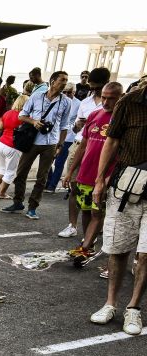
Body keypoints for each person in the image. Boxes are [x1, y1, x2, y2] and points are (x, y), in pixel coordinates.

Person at [89, 78, 147, 335]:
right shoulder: (130, 102)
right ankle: (110, 303)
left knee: (146, 253)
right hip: (126, 188)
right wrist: (100, 180)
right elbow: (111, 141)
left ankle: (133, 308)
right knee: (118, 248)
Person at [62, 82, 123, 266]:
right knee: (86, 210)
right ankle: (89, 243)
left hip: (106, 176)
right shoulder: (94, 115)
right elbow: (83, 145)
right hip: (85, 173)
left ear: (120, 97)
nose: (105, 101)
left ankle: (86, 247)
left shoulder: (122, 120)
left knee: (98, 213)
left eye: (111, 98)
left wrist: (106, 178)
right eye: (103, 97)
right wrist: (71, 171)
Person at [2, 71, 71, 219]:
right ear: (53, 81)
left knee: (42, 177)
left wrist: (60, 145)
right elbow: (22, 115)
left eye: (66, 80)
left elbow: (64, 126)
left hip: (51, 142)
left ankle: (32, 207)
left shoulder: (66, 102)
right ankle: (18, 201)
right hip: (32, 140)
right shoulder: (36, 96)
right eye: (62, 80)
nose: (64, 83)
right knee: (21, 173)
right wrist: (34, 122)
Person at [59, 67, 111, 238]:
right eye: (92, 87)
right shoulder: (85, 103)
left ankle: (93, 230)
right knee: (74, 187)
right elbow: (74, 127)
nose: (94, 90)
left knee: (98, 191)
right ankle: (72, 225)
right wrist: (78, 125)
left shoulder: (114, 104)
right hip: (80, 145)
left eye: (98, 87)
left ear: (106, 83)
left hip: (101, 150)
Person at [44, 82, 81, 193]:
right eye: (64, 91)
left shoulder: (78, 103)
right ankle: (49, 181)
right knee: (48, 161)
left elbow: (76, 121)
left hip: (68, 137)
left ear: (74, 92)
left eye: (69, 92)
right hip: (54, 135)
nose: (66, 94)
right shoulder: (59, 100)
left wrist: (69, 128)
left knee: (59, 162)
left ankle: (52, 185)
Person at [0, 94, 28, 199]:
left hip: (1, 142)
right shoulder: (24, 117)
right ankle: (2, 193)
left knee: (2, 168)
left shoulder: (7, 113)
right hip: (13, 145)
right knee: (10, 171)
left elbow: (0, 127)